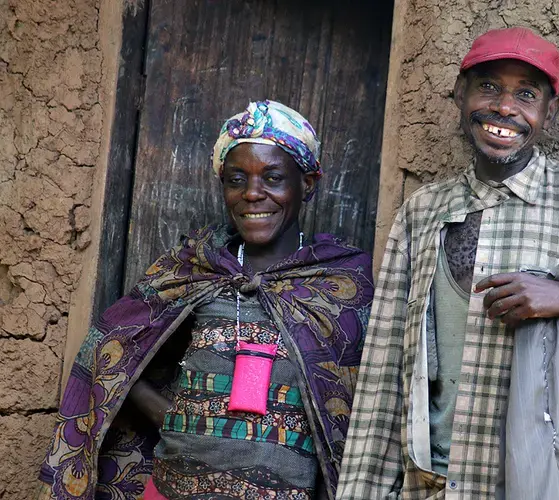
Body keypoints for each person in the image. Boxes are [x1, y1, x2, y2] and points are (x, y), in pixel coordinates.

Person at [337, 27, 559, 499]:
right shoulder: (422, 212)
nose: (504, 107)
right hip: (433, 484)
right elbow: (383, 368)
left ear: (549, 111)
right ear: (460, 94)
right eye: (488, 87)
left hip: (543, 483)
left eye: (526, 93)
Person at [38, 100, 374, 500]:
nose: (252, 194)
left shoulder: (342, 281)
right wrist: (176, 419)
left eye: (273, 178)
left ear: (307, 184)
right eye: (236, 179)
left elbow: (366, 407)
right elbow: (107, 352)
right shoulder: (197, 265)